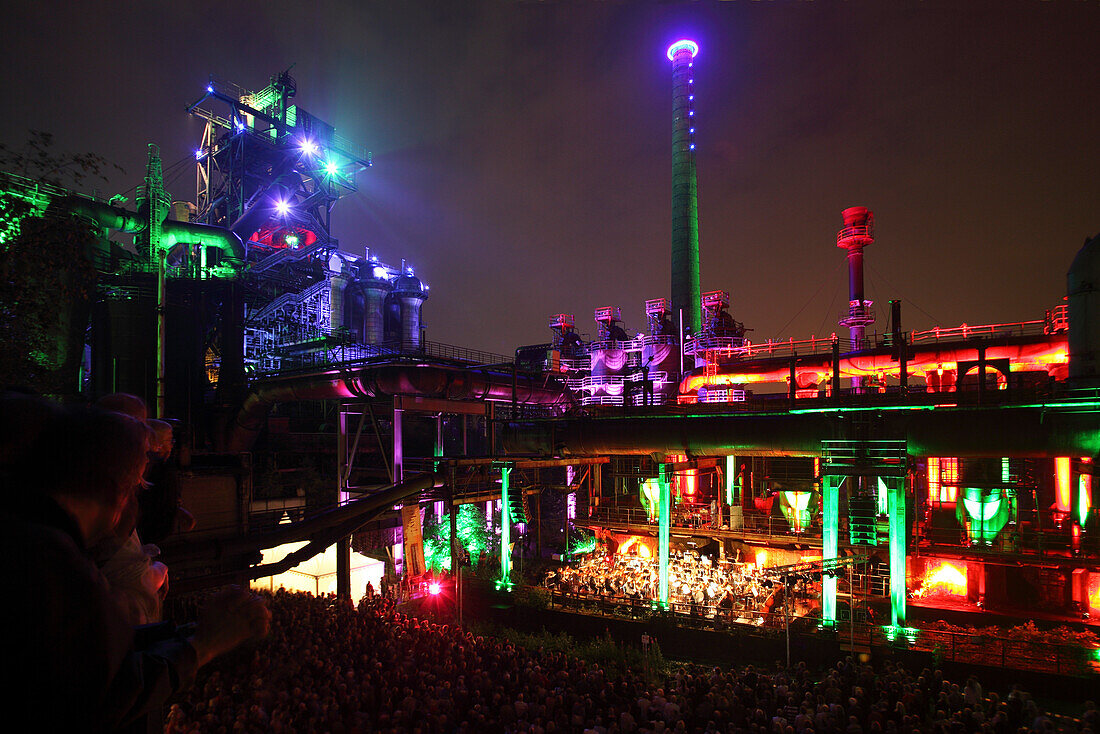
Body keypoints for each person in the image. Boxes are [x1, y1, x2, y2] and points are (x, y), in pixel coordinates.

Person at [1, 400, 270, 732]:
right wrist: (204, 645)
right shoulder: (54, 569)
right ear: (115, 489)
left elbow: (97, 649)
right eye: (135, 488)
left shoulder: (33, 538)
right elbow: (102, 695)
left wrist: (182, 632)